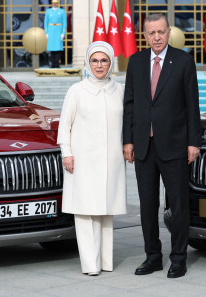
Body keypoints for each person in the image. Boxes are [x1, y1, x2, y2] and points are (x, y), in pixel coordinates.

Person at [123, 13, 201, 279]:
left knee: (178, 205)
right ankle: (152, 257)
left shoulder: (183, 61)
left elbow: (193, 106)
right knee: (147, 205)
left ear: (169, 33)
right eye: (151, 32)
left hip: (175, 146)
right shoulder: (135, 62)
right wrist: (128, 140)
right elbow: (130, 105)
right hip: (144, 145)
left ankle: (178, 258)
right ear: (144, 35)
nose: (156, 37)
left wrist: (193, 143)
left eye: (161, 32)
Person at [57, 41, 127, 276]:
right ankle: (90, 264)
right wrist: (67, 153)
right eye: (95, 60)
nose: (99, 65)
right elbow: (64, 125)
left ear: (111, 63)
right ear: (88, 63)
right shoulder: (76, 90)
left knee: (105, 210)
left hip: (112, 160)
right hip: (83, 160)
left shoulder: (120, 89)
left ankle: (105, 261)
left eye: (104, 60)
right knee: (86, 211)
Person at [44, 0, 67, 68]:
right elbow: (46, 22)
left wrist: (63, 32)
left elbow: (64, 22)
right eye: (53, 3)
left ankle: (57, 64)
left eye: (56, 3)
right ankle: (52, 64)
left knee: (58, 49)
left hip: (58, 30)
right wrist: (46, 32)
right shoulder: (48, 11)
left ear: (58, 4)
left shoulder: (62, 11)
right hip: (51, 30)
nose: (55, 4)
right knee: (52, 49)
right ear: (52, 4)